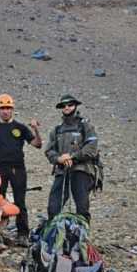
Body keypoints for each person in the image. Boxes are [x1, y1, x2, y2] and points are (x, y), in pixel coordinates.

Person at [0, 93, 42, 246]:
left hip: (18, 169)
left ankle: (23, 234)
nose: (5, 111)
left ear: (12, 109)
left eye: (8, 108)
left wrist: (36, 130)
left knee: (20, 202)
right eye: (2, 108)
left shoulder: (20, 128)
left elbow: (37, 144)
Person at [45, 94, 99, 224]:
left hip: (81, 170)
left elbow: (91, 148)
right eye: (64, 105)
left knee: (82, 207)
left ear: (75, 106)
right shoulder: (57, 130)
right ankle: (54, 237)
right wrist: (59, 159)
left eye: (70, 105)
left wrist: (72, 157)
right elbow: (49, 151)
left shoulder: (85, 126)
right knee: (53, 207)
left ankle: (82, 239)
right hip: (62, 171)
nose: (67, 107)